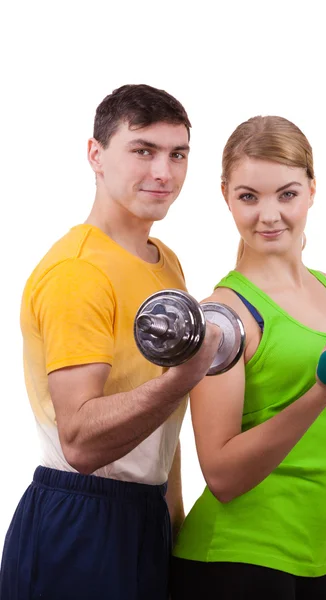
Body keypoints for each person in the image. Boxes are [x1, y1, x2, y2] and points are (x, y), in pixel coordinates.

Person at [0, 84, 222, 600]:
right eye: (143, 150)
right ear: (96, 155)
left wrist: (172, 515)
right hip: (79, 515)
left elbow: (161, 428)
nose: (163, 172)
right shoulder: (78, 273)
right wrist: (181, 381)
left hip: (144, 516)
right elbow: (80, 442)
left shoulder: (164, 261)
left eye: (178, 154)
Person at [171, 116, 326, 600]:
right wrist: (321, 392)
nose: (268, 215)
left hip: (316, 564)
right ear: (225, 195)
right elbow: (223, 476)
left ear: (312, 189)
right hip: (235, 563)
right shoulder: (223, 317)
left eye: (286, 194)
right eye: (249, 197)